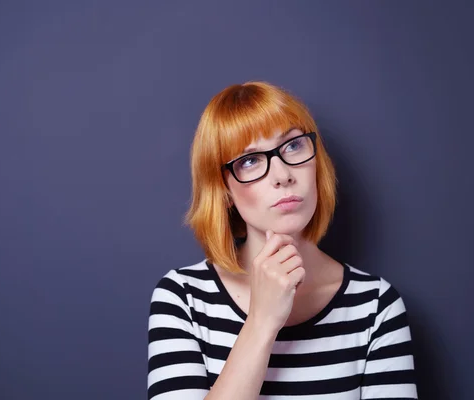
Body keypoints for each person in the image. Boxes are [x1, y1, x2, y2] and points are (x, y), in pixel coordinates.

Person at [147, 81, 418, 399]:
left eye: (292, 146)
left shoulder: (376, 306)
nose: (282, 175)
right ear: (225, 190)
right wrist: (261, 322)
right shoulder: (184, 298)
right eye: (249, 161)